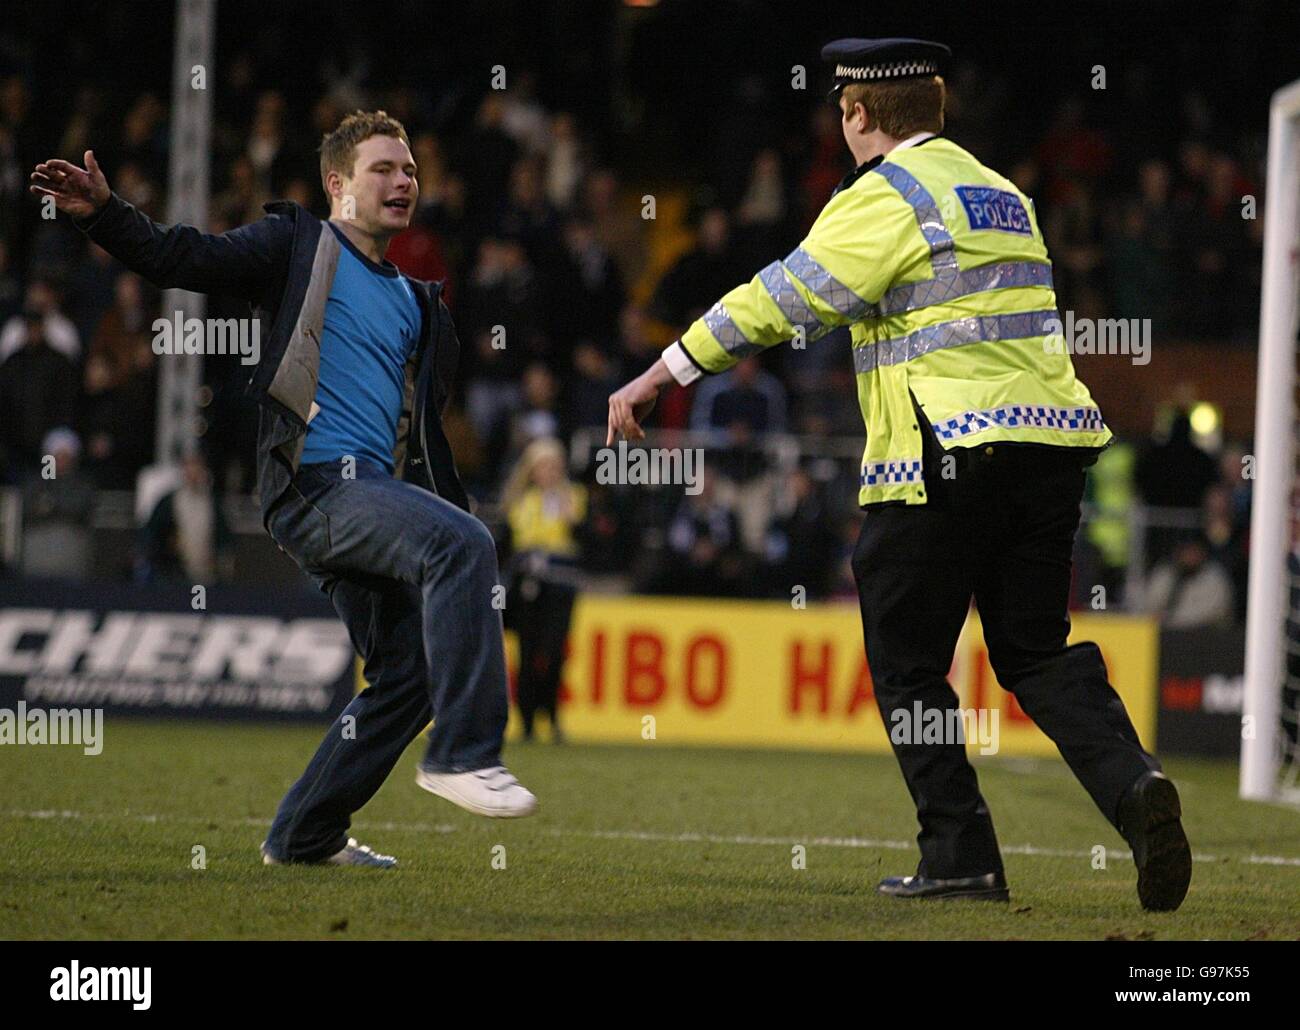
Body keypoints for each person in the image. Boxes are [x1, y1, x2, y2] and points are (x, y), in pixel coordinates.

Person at [607, 38, 1191, 911]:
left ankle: (961, 855)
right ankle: (1133, 782)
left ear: (857, 114)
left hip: (945, 451)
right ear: (939, 109)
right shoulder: (1006, 196)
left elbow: (783, 296)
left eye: (840, 109)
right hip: (1052, 449)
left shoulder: (887, 194)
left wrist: (666, 370)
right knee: (1033, 650)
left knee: (908, 657)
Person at [31, 109, 536, 869]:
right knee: (464, 542)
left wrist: (439, 511)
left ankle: (304, 836)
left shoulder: (420, 306)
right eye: (383, 169)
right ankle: (462, 755)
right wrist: (106, 215)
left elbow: (424, 442)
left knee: (412, 671)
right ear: (338, 184)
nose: (404, 181)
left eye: (410, 171)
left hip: (371, 500)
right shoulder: (299, 243)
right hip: (313, 489)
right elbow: (183, 258)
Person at [500, 438, 586, 742]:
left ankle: (551, 716)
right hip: (529, 587)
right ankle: (526, 722)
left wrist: (572, 520)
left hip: (560, 587)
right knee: (527, 652)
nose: (549, 472)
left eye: (554, 466)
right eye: (543, 466)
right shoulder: (520, 501)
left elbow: (586, 539)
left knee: (553, 653)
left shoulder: (574, 498)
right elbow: (509, 544)